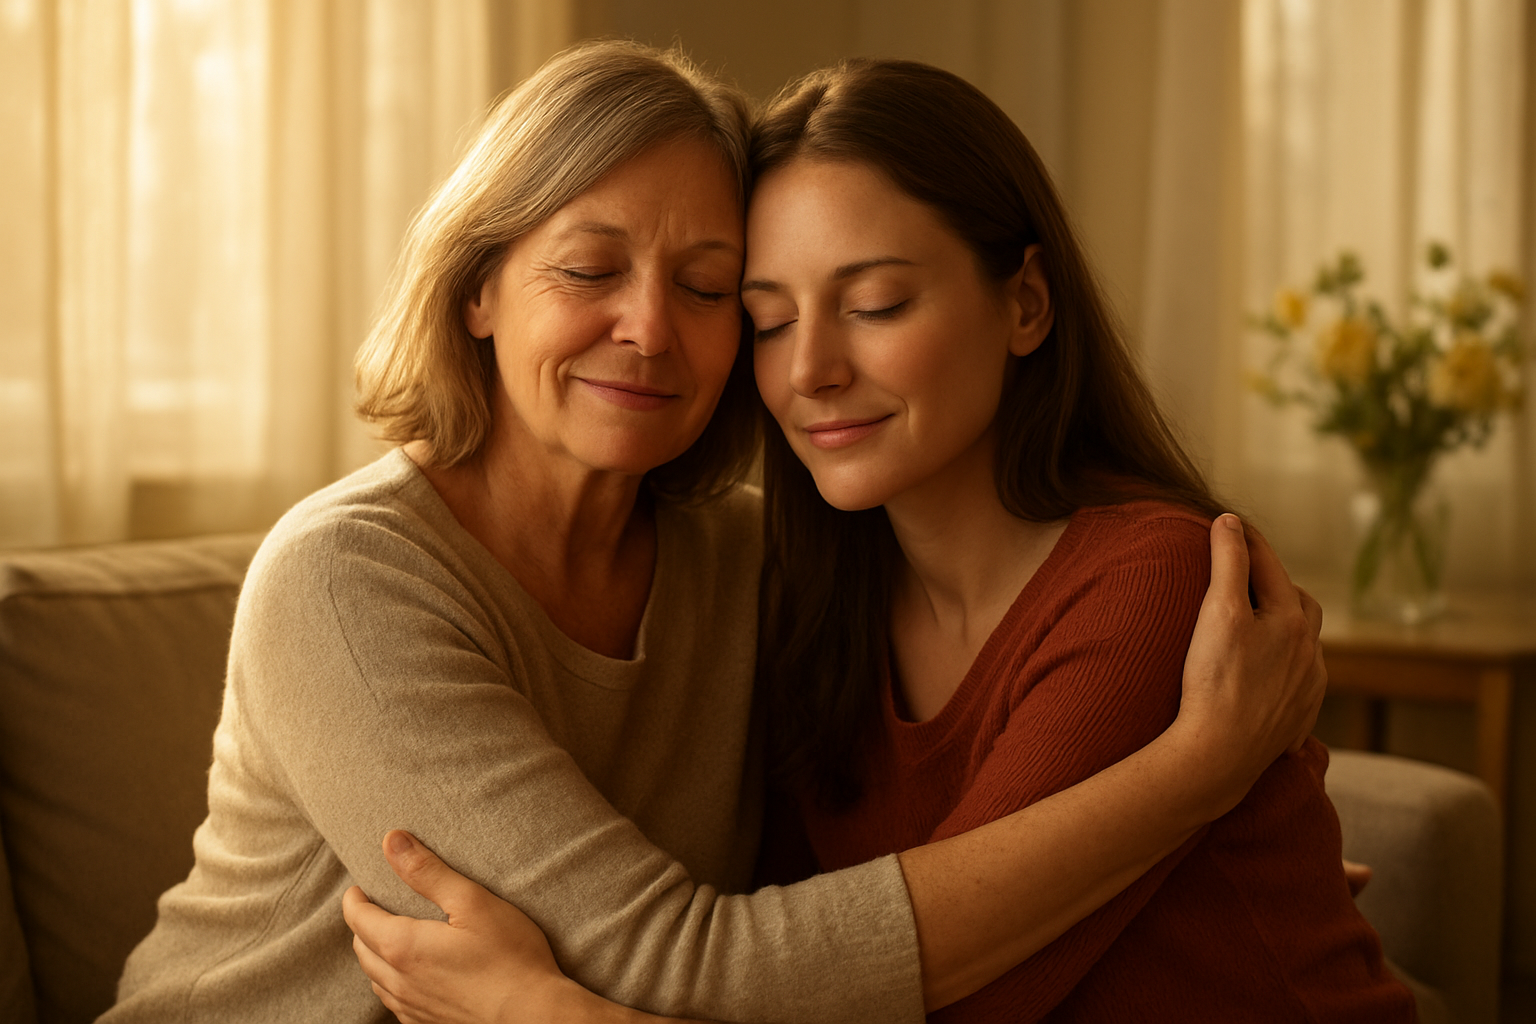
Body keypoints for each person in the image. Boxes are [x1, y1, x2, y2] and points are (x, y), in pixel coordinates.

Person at [105, 43, 1324, 1024]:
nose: (650, 329)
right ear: (476, 289)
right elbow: (714, 950)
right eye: (588, 270)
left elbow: (831, 935)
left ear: (1025, 301)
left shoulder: (754, 565)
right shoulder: (346, 578)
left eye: (704, 290)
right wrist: (1183, 787)